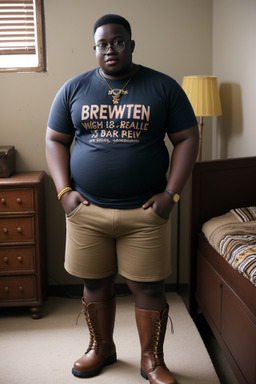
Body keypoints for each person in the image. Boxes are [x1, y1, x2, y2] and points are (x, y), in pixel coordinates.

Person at [46, 14, 199, 384]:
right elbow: (55, 140)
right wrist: (64, 192)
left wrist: (171, 194)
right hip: (88, 210)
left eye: (118, 42)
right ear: (95, 49)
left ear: (130, 44)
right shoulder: (74, 88)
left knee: (149, 287)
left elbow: (187, 139)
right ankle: (102, 349)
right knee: (95, 282)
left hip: (145, 212)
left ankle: (152, 361)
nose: (110, 49)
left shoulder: (163, 87)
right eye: (102, 44)